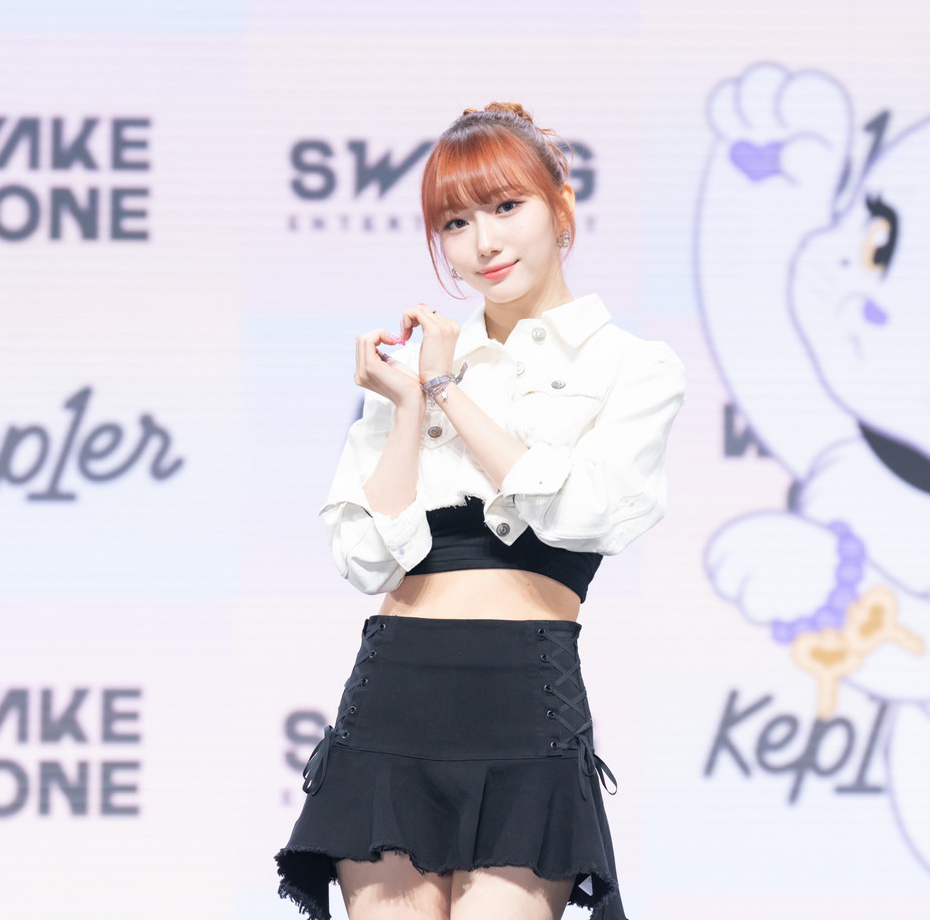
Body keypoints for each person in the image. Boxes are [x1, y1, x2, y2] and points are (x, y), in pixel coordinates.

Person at [275, 102, 685, 920]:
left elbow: (587, 511)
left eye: (506, 207)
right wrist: (404, 404)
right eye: (456, 223)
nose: (484, 243)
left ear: (561, 205)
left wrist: (446, 391)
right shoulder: (414, 367)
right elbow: (366, 557)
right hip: (394, 697)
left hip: (525, 700)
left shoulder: (631, 366)